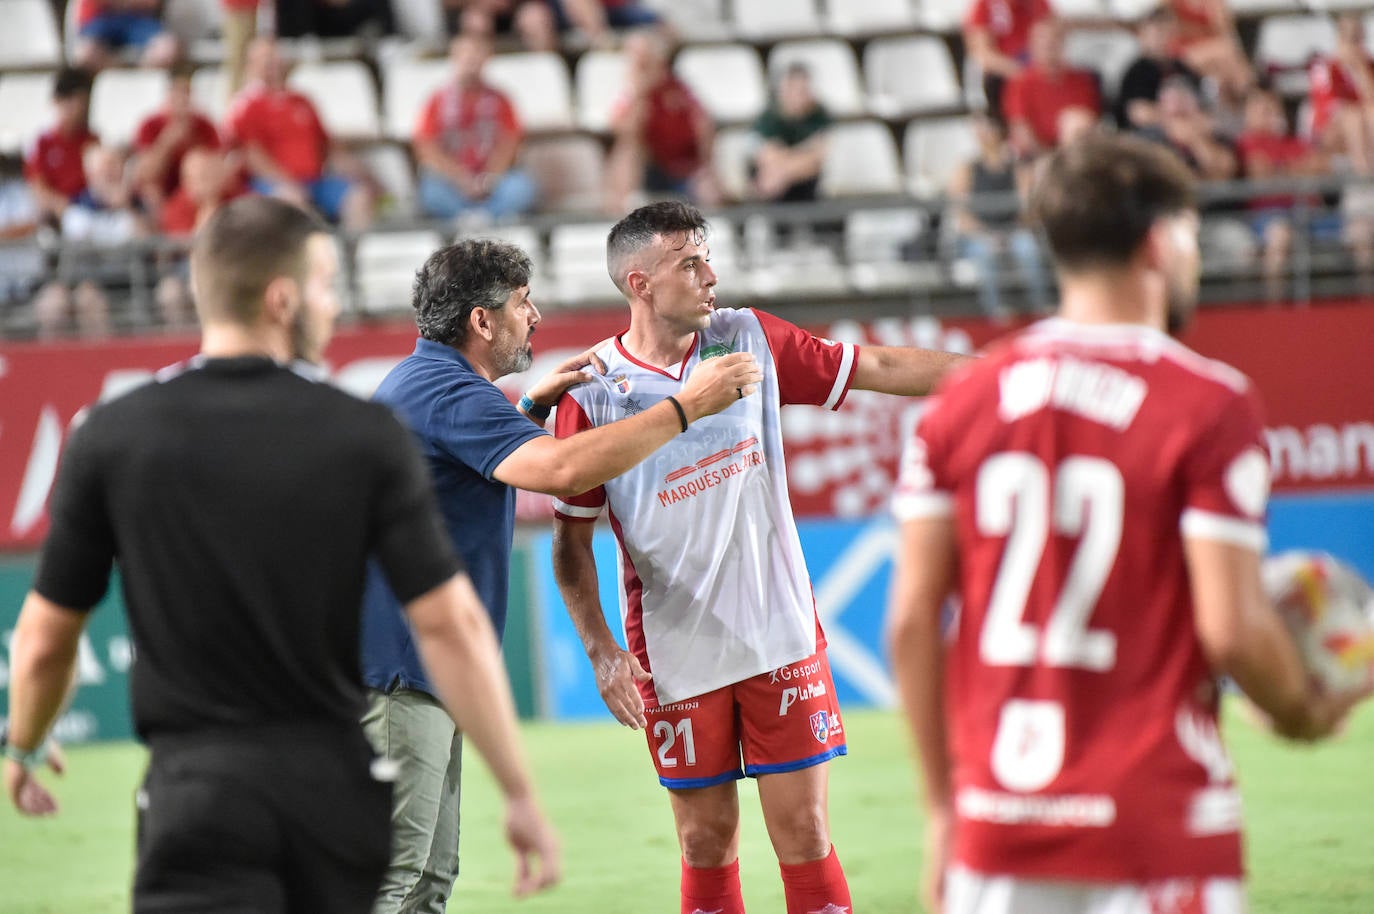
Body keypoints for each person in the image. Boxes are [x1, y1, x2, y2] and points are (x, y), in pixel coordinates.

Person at [3, 196, 560, 912]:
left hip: (188, 789)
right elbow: (448, 624)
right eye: (324, 285)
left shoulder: (109, 434)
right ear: (282, 298)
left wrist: (25, 745)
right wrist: (517, 790)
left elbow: (45, 639)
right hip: (325, 774)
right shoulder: (363, 433)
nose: (333, 305)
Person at [886, 131, 1371, 914]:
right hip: (1159, 824)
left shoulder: (959, 405)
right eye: (1190, 234)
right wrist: (1302, 709)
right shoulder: (1209, 403)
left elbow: (912, 621)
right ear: (1159, 241)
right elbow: (1232, 630)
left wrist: (944, 812)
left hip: (997, 826)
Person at [549, 201, 968, 914]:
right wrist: (600, 649)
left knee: (804, 831)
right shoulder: (590, 393)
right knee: (704, 842)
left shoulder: (748, 337)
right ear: (639, 283)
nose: (710, 275)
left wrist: (1009, 374)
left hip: (779, 633)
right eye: (689, 263)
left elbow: (879, 365)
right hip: (675, 653)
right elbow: (571, 543)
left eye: (708, 258)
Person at [360, 237, 761, 914]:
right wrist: (688, 406)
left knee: (424, 881)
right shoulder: (445, 391)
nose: (535, 316)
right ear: (481, 321)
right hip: (401, 671)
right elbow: (565, 471)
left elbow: (464, 474)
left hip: (413, 670)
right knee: (395, 882)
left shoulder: (429, 385)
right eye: (522, 303)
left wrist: (529, 412)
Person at [223, 36, 377, 230]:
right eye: (264, 58)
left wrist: (360, 173)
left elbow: (328, 147)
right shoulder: (246, 105)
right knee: (293, 201)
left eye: (274, 56)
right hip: (270, 184)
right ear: (251, 65)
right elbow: (252, 156)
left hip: (315, 180)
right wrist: (288, 183)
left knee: (358, 197)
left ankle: (352, 249)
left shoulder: (302, 100)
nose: (272, 63)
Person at [414, 33, 537, 225]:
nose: (471, 65)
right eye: (466, 58)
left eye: (476, 58)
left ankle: (485, 219)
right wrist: (460, 178)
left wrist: (489, 178)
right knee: (430, 191)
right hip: (452, 182)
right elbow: (427, 147)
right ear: (454, 60)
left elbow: (510, 143)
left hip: (493, 181)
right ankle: (469, 219)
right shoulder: (437, 101)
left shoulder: (500, 99)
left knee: (521, 188)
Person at [605, 30, 720, 214]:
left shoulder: (679, 90)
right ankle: (620, 210)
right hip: (650, 169)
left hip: (684, 168)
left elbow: (703, 126)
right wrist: (640, 95)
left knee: (708, 183)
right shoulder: (632, 94)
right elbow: (623, 129)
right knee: (628, 149)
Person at [949, 112, 1050, 320]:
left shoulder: (1017, 167)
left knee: (1028, 249)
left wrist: (1011, 230)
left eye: (990, 128)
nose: (986, 134)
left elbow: (1027, 208)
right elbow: (961, 214)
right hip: (980, 234)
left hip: (1012, 230)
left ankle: (1041, 306)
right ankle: (997, 311)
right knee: (985, 254)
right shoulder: (967, 169)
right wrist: (987, 234)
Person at [132, 61, 222, 219]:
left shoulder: (204, 125)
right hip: (163, 191)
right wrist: (167, 142)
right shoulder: (150, 125)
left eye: (185, 94)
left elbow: (215, 166)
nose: (180, 101)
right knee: (149, 188)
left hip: (195, 189)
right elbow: (145, 173)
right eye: (176, 95)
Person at [1003, 19, 1101, 160]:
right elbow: (1020, 128)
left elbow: (1087, 122)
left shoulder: (1082, 80)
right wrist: (1046, 158)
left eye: (1053, 41)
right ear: (1032, 46)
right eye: (1042, 42)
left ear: (1063, 43)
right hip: (1037, 155)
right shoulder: (1020, 82)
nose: (1048, 47)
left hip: (1075, 154)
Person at [748, 63, 831, 204]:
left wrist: (782, 174)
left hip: (801, 185)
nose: (798, 96)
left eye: (802, 90)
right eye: (793, 89)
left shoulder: (820, 115)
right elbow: (768, 156)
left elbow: (816, 160)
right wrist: (800, 157)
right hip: (772, 187)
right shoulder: (768, 116)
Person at [25, 67, 99, 222]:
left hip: (90, 205)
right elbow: (38, 187)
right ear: (57, 102)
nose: (77, 110)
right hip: (60, 210)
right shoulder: (42, 143)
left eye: (81, 103)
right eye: (70, 104)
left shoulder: (93, 140)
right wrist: (62, 207)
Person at [1115, 6, 1203, 131]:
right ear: (1142, 36)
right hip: (1149, 134)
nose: (1163, 39)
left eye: (1167, 33)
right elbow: (1139, 114)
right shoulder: (1138, 71)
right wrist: (1175, 119)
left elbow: (1202, 101)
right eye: (1157, 33)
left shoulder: (1182, 67)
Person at [962, 0, 1052, 118]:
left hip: (1034, 66)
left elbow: (1051, 33)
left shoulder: (1036, 3)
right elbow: (982, 53)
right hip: (1004, 73)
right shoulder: (985, 5)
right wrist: (1020, 72)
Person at [1309, 14, 1374, 176]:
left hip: (1362, 125)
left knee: (1369, 114)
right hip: (1330, 128)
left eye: (1359, 39)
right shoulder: (1326, 67)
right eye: (1351, 39)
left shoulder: (1369, 66)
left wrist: (1360, 71)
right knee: (1353, 116)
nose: (1355, 45)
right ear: (1339, 40)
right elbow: (1330, 106)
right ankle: (1363, 172)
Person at [72, 0, 179, 71]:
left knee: (168, 49)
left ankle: (138, 76)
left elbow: (152, 3)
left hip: (139, 21)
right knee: (84, 53)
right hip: (101, 20)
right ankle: (118, 72)